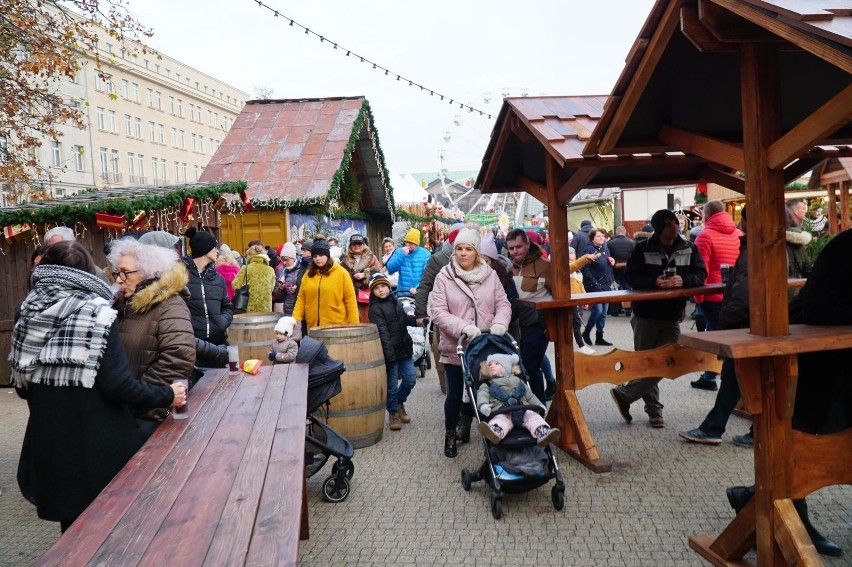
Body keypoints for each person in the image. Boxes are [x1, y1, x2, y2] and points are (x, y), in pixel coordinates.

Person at [11, 241, 186, 532]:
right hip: (98, 448)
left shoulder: (27, 313)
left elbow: (22, 386)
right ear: (85, 272)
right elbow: (117, 385)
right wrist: (166, 394)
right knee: (111, 529)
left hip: (51, 443)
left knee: (72, 533)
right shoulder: (96, 314)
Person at [726, 228, 852, 558]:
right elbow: (818, 310)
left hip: (839, 365)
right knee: (805, 439)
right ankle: (789, 514)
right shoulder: (845, 247)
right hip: (816, 365)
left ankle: (752, 496)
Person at [610, 209, 707, 428]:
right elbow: (631, 277)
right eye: (670, 223)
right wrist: (655, 282)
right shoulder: (642, 249)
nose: (676, 225)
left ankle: (624, 394)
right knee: (647, 363)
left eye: (676, 222)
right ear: (660, 227)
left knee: (668, 361)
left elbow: (701, 275)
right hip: (645, 314)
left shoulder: (689, 247)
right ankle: (654, 411)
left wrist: (684, 280)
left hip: (672, 314)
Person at [429, 227, 512, 458]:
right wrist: (463, 328)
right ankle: (451, 433)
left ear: (476, 252)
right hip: (457, 347)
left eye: (468, 249)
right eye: (459, 249)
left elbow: (503, 304)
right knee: (454, 395)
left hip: (485, 346)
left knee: (487, 392)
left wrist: (500, 324)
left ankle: (493, 434)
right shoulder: (444, 277)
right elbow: (438, 311)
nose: (463, 253)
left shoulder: (490, 275)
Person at [107, 237, 197, 436]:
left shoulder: (169, 304)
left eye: (125, 273)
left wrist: (138, 394)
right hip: (130, 409)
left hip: (150, 414)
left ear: (149, 272)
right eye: (117, 272)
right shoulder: (122, 304)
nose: (119, 279)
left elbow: (179, 356)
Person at [678, 206, 752, 445]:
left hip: (737, 317)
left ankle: (714, 427)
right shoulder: (747, 241)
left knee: (734, 371)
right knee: (741, 374)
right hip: (754, 318)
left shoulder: (707, 236)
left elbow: (738, 291)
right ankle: (720, 426)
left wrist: (721, 323)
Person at [690, 200, 742, 390]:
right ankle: (710, 375)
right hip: (735, 294)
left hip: (712, 296)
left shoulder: (704, 236)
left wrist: (699, 298)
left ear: (706, 215)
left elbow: (700, 270)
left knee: (717, 337)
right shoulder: (740, 235)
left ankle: (717, 376)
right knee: (722, 334)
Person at [414, 223, 467, 398]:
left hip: (469, 316)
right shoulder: (438, 260)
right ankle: (447, 387)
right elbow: (424, 286)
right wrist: (421, 313)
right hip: (445, 315)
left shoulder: (474, 256)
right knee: (442, 350)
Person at [506, 228, 552, 403]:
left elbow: (560, 297)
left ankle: (539, 406)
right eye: (511, 248)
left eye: (519, 247)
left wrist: (551, 326)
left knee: (530, 367)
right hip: (518, 327)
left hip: (538, 326)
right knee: (524, 368)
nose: (515, 251)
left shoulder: (545, 266)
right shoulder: (511, 268)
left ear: (528, 244)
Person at [476, 353, 560, 447]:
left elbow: (529, 396)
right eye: (490, 364)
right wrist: (483, 405)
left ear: (506, 367)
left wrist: (539, 405)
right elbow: (482, 394)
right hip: (502, 411)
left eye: (496, 363)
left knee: (533, 417)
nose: (492, 366)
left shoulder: (518, 381)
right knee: (500, 420)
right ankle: (495, 432)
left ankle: (543, 432)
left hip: (523, 409)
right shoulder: (487, 385)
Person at [368, 272, 417, 431]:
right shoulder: (375, 309)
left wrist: (417, 320)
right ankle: (393, 413)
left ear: (389, 287)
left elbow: (403, 320)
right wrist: (389, 356)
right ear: (372, 291)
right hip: (390, 353)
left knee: (410, 379)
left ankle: (399, 401)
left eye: (383, 286)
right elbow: (383, 333)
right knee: (392, 386)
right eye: (377, 288)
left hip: (404, 347)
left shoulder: (395, 301)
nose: (381, 290)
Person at [181, 227, 234, 368]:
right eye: (214, 247)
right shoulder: (181, 278)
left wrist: (222, 322)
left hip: (218, 346)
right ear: (204, 250)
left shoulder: (218, 279)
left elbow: (227, 306)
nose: (217, 251)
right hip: (193, 349)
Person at [292, 236, 358, 330]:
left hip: (336, 326)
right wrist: (295, 318)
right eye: (315, 256)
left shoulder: (342, 273)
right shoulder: (308, 274)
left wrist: (354, 325)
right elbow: (301, 298)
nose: (317, 259)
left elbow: (350, 300)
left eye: (321, 255)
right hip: (313, 327)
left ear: (327, 256)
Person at [581, 229, 616, 346]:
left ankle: (599, 336)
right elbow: (585, 269)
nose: (602, 238)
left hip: (606, 284)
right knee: (598, 310)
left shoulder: (605, 248)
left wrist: (612, 261)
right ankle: (587, 331)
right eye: (599, 236)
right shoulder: (589, 250)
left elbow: (608, 262)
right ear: (592, 239)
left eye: (603, 236)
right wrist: (594, 282)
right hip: (594, 285)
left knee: (604, 312)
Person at [43, 226, 111, 283]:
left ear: (71, 246)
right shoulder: (44, 274)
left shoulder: (96, 274)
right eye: (49, 248)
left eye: (58, 248)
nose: (52, 252)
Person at [339, 233, 382, 323]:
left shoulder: (372, 258)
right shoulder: (344, 260)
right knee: (352, 320)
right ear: (350, 245)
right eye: (354, 244)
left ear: (363, 245)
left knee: (368, 320)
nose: (357, 246)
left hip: (367, 296)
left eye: (359, 243)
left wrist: (365, 274)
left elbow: (379, 272)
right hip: (350, 295)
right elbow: (339, 274)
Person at [384, 227, 431, 298]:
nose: (408, 245)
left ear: (416, 243)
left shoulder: (425, 254)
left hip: (419, 294)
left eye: (411, 243)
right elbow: (390, 269)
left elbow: (427, 275)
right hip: (402, 293)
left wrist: (417, 288)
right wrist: (402, 255)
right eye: (407, 242)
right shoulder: (399, 251)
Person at [568, 246, 597, 355]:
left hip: (577, 299)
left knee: (576, 323)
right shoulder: (567, 266)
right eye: (571, 254)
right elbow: (574, 266)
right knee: (576, 322)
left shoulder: (576, 269)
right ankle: (581, 345)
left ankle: (580, 345)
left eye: (574, 253)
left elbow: (580, 285)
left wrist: (584, 298)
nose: (573, 256)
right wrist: (586, 258)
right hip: (571, 299)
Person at [233, 244, 276, 313]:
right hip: (266, 310)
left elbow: (235, 285)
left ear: (250, 256)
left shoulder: (246, 268)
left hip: (248, 309)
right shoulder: (270, 270)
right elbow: (272, 288)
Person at [785, 198, 813, 300]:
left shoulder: (776, 241)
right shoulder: (799, 239)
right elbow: (808, 269)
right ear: (795, 212)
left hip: (783, 295)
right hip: (796, 294)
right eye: (803, 208)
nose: (806, 210)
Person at [606, 226, 635, 317]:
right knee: (627, 287)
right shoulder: (631, 243)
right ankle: (628, 309)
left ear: (616, 232)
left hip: (615, 268)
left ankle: (616, 309)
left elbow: (608, 257)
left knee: (616, 288)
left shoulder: (610, 243)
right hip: (627, 268)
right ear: (625, 232)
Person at [272, 242, 304, 316]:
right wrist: (280, 289)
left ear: (293, 258)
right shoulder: (281, 271)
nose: (284, 262)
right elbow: (277, 295)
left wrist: (297, 289)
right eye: (282, 260)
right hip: (287, 310)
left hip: (300, 310)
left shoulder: (302, 269)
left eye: (286, 260)